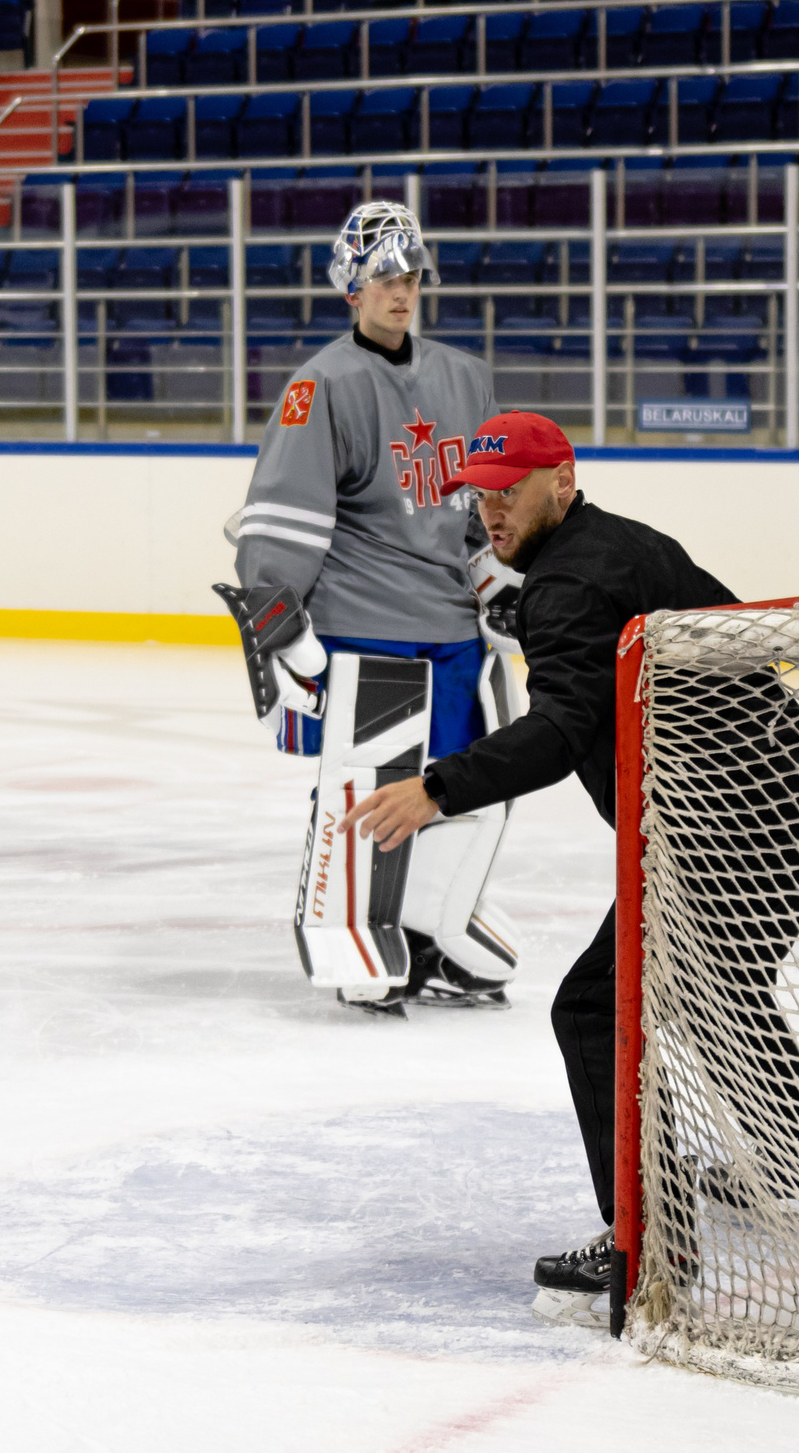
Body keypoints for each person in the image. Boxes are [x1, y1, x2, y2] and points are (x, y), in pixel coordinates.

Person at [339, 413, 799, 1326]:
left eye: (511, 489)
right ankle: (795, 1165)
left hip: (725, 822)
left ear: (562, 481)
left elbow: (562, 727)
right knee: (717, 982)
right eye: (481, 492)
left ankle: (648, 1238)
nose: (491, 508)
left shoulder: (567, 585)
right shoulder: (623, 544)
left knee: (593, 1007)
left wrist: (438, 787)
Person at [215, 201, 521, 1016]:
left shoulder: (464, 375)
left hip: (453, 629)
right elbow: (282, 517)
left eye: (411, 273)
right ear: (351, 286)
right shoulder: (319, 386)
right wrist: (279, 618)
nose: (402, 288)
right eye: (385, 274)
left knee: (464, 784)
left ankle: (433, 926)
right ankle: (348, 921)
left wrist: (503, 578)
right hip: (363, 629)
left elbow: (479, 510)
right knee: (367, 786)